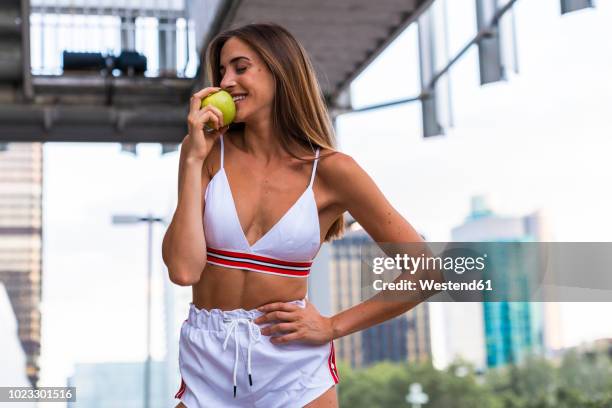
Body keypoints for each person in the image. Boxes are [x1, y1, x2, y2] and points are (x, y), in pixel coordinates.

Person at [162, 22, 438, 408]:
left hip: (293, 369)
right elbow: (184, 271)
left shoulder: (332, 171)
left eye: (240, 68)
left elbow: (426, 271)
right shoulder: (205, 154)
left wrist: (331, 326)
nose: (226, 81)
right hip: (208, 361)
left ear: (280, 71)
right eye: (222, 71)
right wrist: (191, 159)